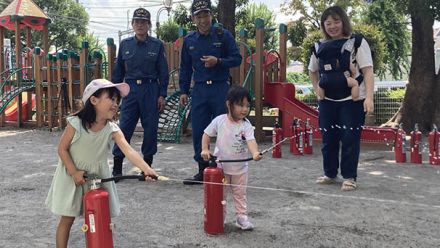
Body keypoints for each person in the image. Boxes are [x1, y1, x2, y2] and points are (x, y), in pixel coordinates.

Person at [45, 79, 158, 248]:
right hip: (73, 175)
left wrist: (146, 169)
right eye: (111, 99)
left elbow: (129, 151)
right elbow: (62, 149)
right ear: (94, 100)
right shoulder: (75, 123)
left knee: (101, 219)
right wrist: (74, 171)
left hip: (99, 178)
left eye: (117, 100)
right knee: (67, 219)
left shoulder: (112, 128)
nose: (115, 104)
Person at [308, 6, 374, 191]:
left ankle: (349, 176)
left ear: (344, 21)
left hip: (352, 101)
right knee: (328, 138)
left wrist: (369, 98)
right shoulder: (318, 46)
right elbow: (312, 71)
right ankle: (329, 173)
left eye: (336, 21)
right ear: (323, 25)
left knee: (350, 137)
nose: (332, 26)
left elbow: (368, 71)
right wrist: (316, 91)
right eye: (328, 23)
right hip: (327, 101)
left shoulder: (357, 42)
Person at [179, 0, 242, 185]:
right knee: (199, 129)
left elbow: (237, 58)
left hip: (220, 88)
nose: (203, 20)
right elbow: (185, 68)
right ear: (193, 19)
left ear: (211, 16)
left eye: (205, 15)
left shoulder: (223, 35)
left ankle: (227, 170)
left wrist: (218, 61)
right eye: (198, 16)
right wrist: (183, 90)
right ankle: (202, 170)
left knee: (225, 129)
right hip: (199, 90)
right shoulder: (189, 40)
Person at [112, 7, 169, 178]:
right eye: (137, 22)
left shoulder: (157, 45)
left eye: (143, 22)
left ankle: (147, 167)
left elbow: (163, 72)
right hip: (130, 90)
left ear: (149, 25)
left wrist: (162, 95)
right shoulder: (125, 45)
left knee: (150, 129)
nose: (140, 25)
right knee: (124, 128)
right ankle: (117, 167)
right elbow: (118, 72)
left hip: (150, 89)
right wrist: (115, 96)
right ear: (132, 24)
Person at [200, 85, 262, 230]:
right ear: (229, 104)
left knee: (240, 195)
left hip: (240, 169)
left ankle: (241, 218)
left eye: (247, 106)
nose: (244, 109)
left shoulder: (246, 125)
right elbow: (206, 134)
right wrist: (204, 149)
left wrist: (255, 153)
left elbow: (251, 141)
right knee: (220, 195)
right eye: (240, 105)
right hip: (221, 168)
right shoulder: (219, 121)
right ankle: (218, 217)